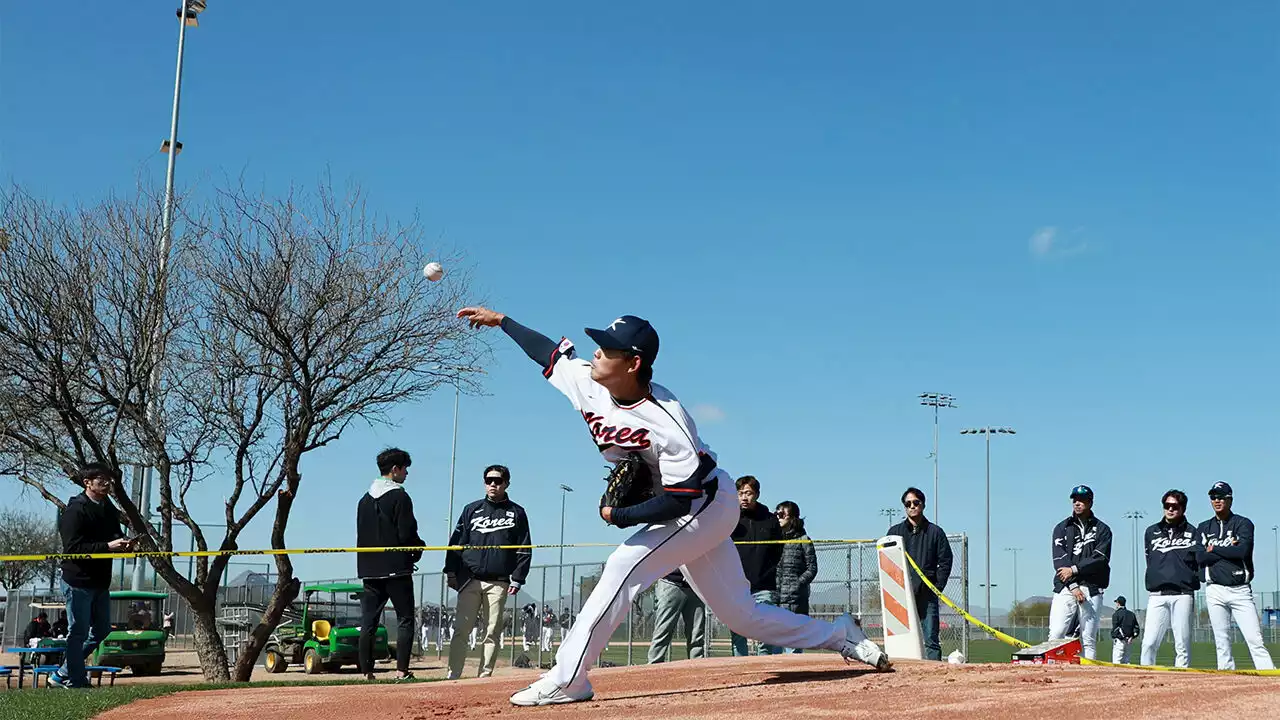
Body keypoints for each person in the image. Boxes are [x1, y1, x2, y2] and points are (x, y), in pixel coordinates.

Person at [456, 306, 889, 707]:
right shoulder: (589, 381)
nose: (596, 353)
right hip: (685, 507)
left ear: (633, 362)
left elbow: (680, 499)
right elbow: (547, 353)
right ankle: (839, 635)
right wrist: (503, 321)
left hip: (705, 504)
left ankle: (571, 678)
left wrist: (619, 516)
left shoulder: (668, 420)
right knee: (741, 616)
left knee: (623, 565)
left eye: (607, 349)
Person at [48, 463, 133, 689]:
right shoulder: (75, 510)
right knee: (78, 631)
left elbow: (115, 533)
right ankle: (75, 681)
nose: (106, 483)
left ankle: (62, 672)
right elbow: (73, 548)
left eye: (108, 479)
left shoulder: (107, 507)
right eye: (101, 479)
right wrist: (107, 546)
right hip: (77, 581)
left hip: (100, 581)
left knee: (103, 629)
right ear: (88, 483)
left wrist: (123, 543)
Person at [445, 464, 532, 679]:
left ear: (506, 483)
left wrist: (518, 578)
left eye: (498, 480)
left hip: (499, 582)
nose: (493, 484)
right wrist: (451, 571)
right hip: (469, 580)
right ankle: (452, 675)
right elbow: (455, 543)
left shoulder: (517, 512)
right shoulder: (471, 509)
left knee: (492, 631)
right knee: (461, 631)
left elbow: (524, 547)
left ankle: (484, 677)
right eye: (488, 480)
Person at [355, 447, 424, 682]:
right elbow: (406, 533)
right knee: (405, 618)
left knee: (369, 621)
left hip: (369, 569)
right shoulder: (400, 496)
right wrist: (418, 547)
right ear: (395, 469)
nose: (406, 474)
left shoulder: (363, 499)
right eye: (405, 469)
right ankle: (401, 671)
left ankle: (366, 672)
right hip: (396, 568)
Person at [1197, 482, 1275, 670]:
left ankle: (1271, 680)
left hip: (1240, 589)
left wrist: (1214, 548)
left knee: (1255, 640)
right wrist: (1227, 549)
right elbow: (1200, 556)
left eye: (1221, 497)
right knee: (1221, 642)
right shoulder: (1204, 527)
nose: (1217, 500)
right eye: (1213, 497)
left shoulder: (1243, 523)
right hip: (1214, 589)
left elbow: (1242, 552)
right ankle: (1226, 684)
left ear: (1230, 499)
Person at [885, 487, 953, 661]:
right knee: (900, 639)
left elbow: (945, 560)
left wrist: (937, 587)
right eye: (908, 504)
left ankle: (934, 674)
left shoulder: (935, 532)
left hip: (927, 595)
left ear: (923, 504)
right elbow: (887, 562)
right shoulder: (894, 533)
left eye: (916, 502)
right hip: (900, 596)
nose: (912, 506)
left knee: (931, 638)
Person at [1047, 485, 1112, 661]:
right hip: (1066, 587)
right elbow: (1060, 563)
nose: (1077, 503)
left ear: (1090, 502)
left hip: (1092, 587)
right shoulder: (1062, 528)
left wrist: (1075, 570)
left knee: (1088, 639)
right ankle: (1051, 672)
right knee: (1057, 633)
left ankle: (1088, 677)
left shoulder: (1102, 529)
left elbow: (1100, 559)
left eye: (1082, 500)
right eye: (1075, 500)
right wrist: (1074, 587)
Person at [1140, 489, 1198, 668]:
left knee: (1182, 646)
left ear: (1183, 508)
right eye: (1167, 506)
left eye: (1175, 506)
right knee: (1149, 643)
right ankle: (1145, 678)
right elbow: (1150, 559)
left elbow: (1198, 562)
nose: (1170, 509)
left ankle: (1181, 684)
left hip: (1182, 594)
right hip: (1157, 594)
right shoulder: (1151, 531)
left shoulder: (1193, 532)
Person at [730, 476, 783, 656]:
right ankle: (740, 669)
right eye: (740, 493)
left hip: (764, 585)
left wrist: (766, 569)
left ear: (757, 495)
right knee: (738, 633)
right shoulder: (729, 518)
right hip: (735, 585)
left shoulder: (770, 520)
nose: (744, 497)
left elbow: (778, 550)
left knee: (766, 630)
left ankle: (765, 666)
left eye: (748, 493)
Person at [775, 501, 817, 654]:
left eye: (782, 514)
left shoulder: (804, 540)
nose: (778, 517)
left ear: (792, 517)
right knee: (775, 642)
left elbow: (812, 568)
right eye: (776, 514)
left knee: (793, 640)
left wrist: (797, 584)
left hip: (795, 599)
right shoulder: (774, 539)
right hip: (775, 596)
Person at [647, 569, 706, 663]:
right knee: (663, 631)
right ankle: (653, 667)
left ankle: (697, 668)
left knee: (696, 634)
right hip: (671, 583)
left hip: (695, 586)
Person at [1110, 596, 1139, 664]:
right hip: (1129, 641)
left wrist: (1120, 636)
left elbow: (1115, 629)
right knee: (1127, 661)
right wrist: (1132, 637)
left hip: (1119, 641)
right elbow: (1136, 628)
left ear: (1118, 603)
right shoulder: (1132, 614)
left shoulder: (1116, 614)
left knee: (1117, 661)